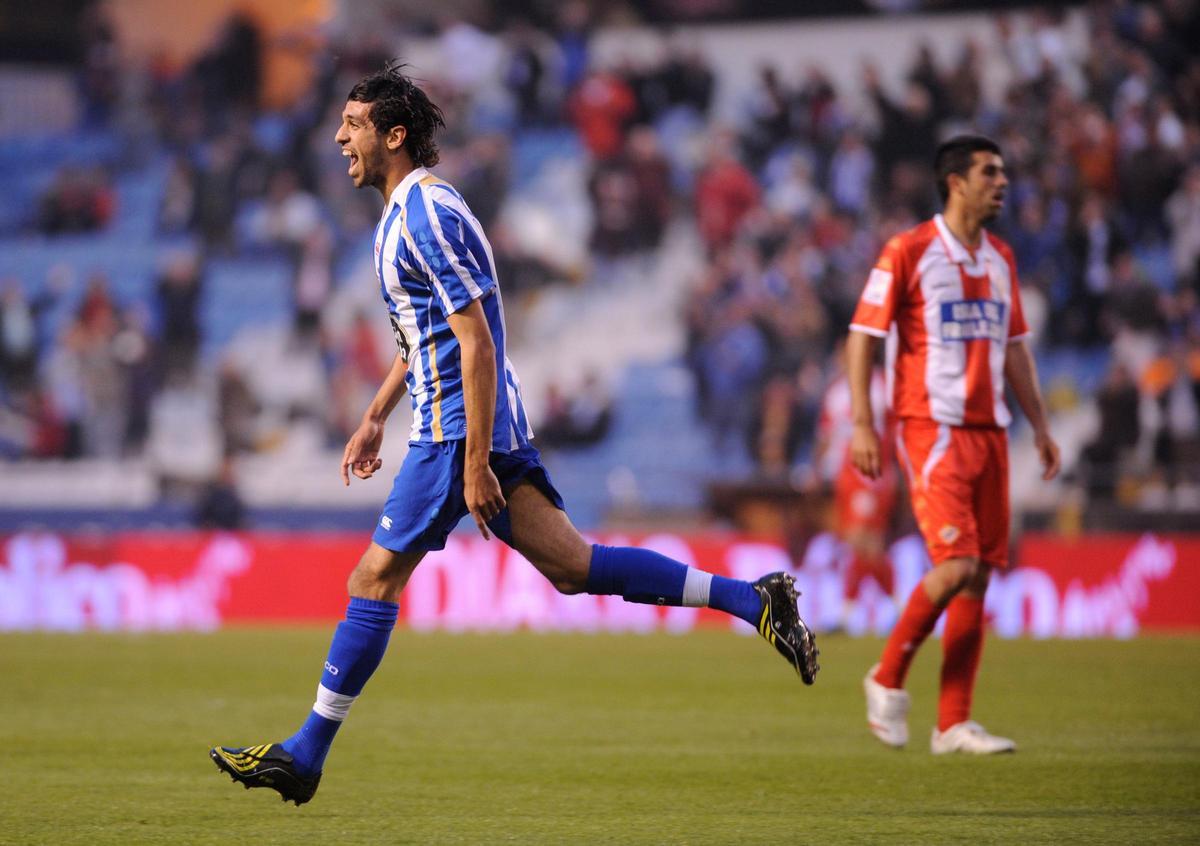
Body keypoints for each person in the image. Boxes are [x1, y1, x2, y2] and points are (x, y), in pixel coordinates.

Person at [209, 65, 819, 806]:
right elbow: (423, 336)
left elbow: (477, 344)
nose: (339, 136)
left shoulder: (426, 215)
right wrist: (374, 413)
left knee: (372, 578)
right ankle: (756, 602)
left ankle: (305, 754)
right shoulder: (405, 214)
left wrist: (470, 464)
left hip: (455, 432)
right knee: (572, 564)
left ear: (393, 136)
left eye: (353, 123)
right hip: (469, 425)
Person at [847, 135, 1060, 755]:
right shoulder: (909, 251)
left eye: (1004, 173)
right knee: (957, 564)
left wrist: (1040, 426)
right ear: (955, 182)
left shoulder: (1001, 259)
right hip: (931, 426)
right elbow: (863, 336)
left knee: (979, 577)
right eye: (990, 172)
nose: (1002, 183)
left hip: (991, 431)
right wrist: (864, 421)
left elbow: (1014, 347)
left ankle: (953, 723)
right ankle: (885, 679)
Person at [814, 342, 898, 626]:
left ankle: (851, 611)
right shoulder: (836, 392)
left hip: (871, 470)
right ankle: (895, 607)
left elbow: (896, 429)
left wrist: (894, 466)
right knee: (859, 543)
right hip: (845, 474)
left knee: (865, 540)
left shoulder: (882, 385)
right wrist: (816, 469)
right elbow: (826, 434)